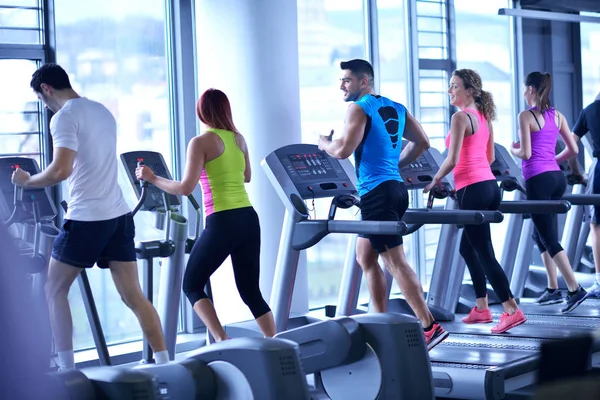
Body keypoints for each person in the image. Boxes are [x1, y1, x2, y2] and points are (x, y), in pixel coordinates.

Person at [12, 63, 169, 370]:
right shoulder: (102, 111)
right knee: (133, 295)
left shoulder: (64, 117)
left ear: (46, 89)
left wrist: (26, 181)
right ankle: (164, 363)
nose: (46, 107)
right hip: (119, 214)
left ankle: (69, 372)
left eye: (43, 100)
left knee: (54, 289)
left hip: (87, 219)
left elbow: (61, 170)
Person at [317, 59, 448, 350]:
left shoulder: (358, 108)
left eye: (347, 80)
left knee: (394, 261)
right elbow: (423, 142)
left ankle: (429, 326)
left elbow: (342, 150)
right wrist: (394, 167)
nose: (341, 85)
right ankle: (379, 320)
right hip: (394, 189)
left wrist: (324, 142)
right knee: (366, 256)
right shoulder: (397, 107)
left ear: (364, 82)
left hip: (378, 192)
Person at [136, 88, 276, 341]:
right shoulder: (239, 139)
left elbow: (185, 188)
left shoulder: (200, 142)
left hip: (222, 220)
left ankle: (223, 341)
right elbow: (247, 176)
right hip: (248, 218)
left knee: (191, 284)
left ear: (201, 112)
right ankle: (277, 344)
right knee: (250, 291)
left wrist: (152, 178)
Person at [424, 69, 526, 333]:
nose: (450, 91)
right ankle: (481, 308)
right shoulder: (484, 118)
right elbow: (490, 159)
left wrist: (435, 180)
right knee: (468, 249)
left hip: (472, 188)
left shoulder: (460, 118)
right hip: (489, 188)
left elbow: (453, 158)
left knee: (484, 252)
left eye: (454, 86)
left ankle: (511, 309)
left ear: (469, 90)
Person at [512, 71, 589, 312]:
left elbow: (524, 153)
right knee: (540, 234)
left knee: (548, 237)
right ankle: (553, 287)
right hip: (556, 178)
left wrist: (512, 149)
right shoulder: (557, 115)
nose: (524, 94)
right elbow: (573, 148)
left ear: (532, 90)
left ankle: (575, 289)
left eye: (525, 90)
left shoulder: (526, 116)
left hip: (538, 179)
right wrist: (552, 160)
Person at [559, 90, 600, 299]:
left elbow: (571, 147)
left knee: (597, 226)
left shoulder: (590, 111)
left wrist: (576, 171)